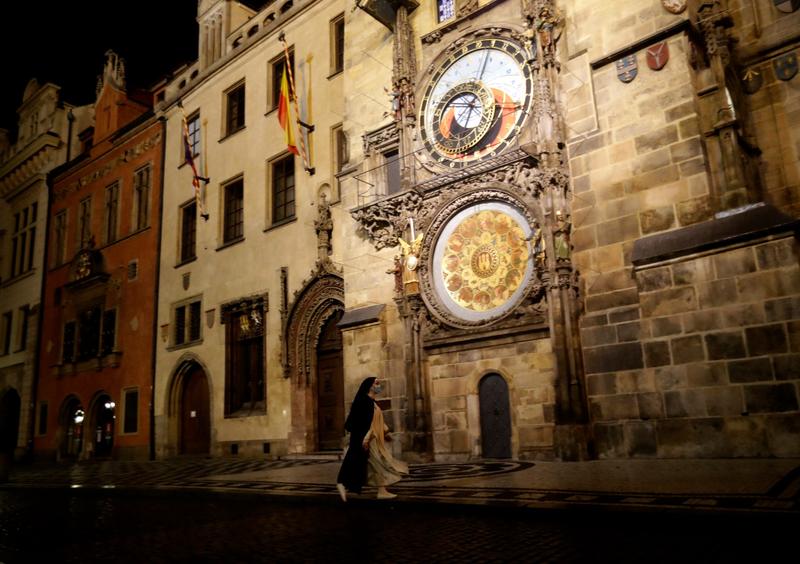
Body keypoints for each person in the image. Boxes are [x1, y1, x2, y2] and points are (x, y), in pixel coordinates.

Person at [336, 376, 408, 501]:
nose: (379, 386)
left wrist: (385, 433)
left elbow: (376, 420)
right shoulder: (364, 401)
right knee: (376, 463)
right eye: (376, 383)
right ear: (370, 386)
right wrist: (366, 438)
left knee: (374, 464)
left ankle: (380, 490)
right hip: (367, 439)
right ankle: (343, 483)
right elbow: (364, 422)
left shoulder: (372, 402)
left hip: (374, 438)